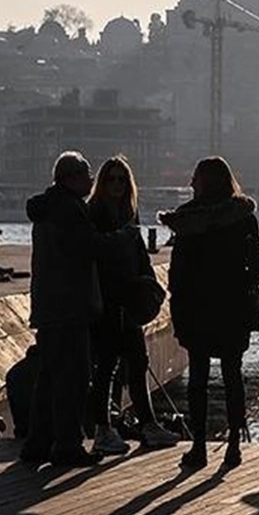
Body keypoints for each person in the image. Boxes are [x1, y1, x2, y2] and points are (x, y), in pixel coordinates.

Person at [22, 151, 133, 466]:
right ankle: (68, 446)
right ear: (71, 177)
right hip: (69, 305)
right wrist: (123, 237)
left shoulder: (47, 207)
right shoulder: (68, 209)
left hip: (48, 304)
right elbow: (90, 247)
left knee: (48, 376)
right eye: (86, 174)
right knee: (74, 376)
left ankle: (37, 443)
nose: (91, 180)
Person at [160, 157, 259, 470]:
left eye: (195, 178)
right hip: (232, 306)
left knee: (198, 379)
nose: (191, 183)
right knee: (233, 374)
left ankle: (200, 445)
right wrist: (244, 287)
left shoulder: (188, 219)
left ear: (204, 182)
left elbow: (178, 272)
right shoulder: (243, 216)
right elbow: (256, 262)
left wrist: (178, 305)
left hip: (197, 307)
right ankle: (233, 444)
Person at [86, 156, 180, 454]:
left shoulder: (129, 214)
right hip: (108, 302)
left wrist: (150, 284)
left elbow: (138, 254)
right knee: (107, 366)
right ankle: (103, 428)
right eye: (111, 179)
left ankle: (148, 424)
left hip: (129, 300)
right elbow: (96, 253)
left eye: (121, 179)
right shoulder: (96, 213)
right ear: (102, 183)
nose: (116, 185)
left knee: (138, 362)